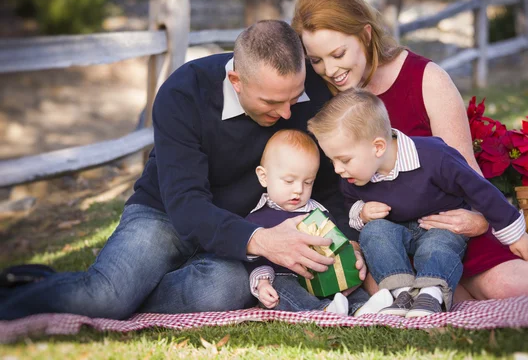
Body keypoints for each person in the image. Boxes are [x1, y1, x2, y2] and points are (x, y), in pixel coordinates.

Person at [0, 20, 364, 321]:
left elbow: (329, 186)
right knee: (107, 299)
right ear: (236, 82)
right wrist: (263, 241)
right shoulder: (183, 93)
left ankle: (120, 292)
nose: (287, 113)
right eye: (271, 102)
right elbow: (186, 202)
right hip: (165, 214)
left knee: (222, 289)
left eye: (294, 97)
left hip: (242, 225)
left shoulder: (312, 93)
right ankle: (32, 297)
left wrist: (346, 239)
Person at [292, 0, 528, 301]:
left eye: (338, 54)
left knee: (507, 286)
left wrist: (481, 218)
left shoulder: (425, 79)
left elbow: (464, 167)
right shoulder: (318, 94)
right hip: (381, 236)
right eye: (316, 60)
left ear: (366, 35)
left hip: (443, 222)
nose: (329, 70)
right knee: (403, 292)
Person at [308, 88, 528, 317]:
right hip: (397, 232)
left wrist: (515, 234)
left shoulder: (434, 156)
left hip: (439, 225)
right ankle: (400, 293)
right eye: (332, 160)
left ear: (377, 147)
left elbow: (480, 190)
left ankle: (431, 294)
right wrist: (362, 212)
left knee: (437, 246)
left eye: (344, 160)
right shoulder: (353, 176)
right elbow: (351, 202)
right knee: (374, 232)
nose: (337, 169)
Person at [245, 129, 392, 315]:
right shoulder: (257, 217)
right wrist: (263, 282)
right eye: (289, 181)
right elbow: (253, 258)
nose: (298, 190)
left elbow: (337, 243)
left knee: (343, 282)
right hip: (284, 276)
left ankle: (362, 307)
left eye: (308, 182)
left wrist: (348, 260)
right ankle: (321, 311)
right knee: (283, 287)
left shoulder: (318, 212)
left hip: (321, 273)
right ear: (264, 177)